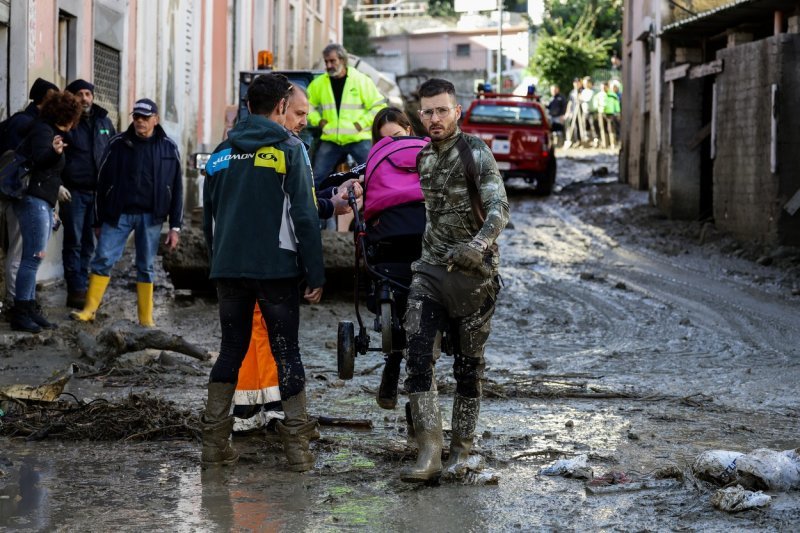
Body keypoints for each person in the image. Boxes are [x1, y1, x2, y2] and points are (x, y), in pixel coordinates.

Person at [201, 73, 325, 471]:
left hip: (228, 269)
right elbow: (304, 215)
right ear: (280, 107)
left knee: (230, 351)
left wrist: (217, 262)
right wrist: (316, 272)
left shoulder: (220, 152)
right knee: (287, 351)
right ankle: (298, 451)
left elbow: (210, 219)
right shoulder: (290, 149)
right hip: (277, 271)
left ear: (248, 105)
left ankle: (214, 445)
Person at [401, 78, 508, 483]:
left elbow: (500, 206)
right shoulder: (423, 158)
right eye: (427, 111)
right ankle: (429, 451)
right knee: (417, 356)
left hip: (474, 277)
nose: (434, 118)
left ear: (457, 110)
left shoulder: (476, 152)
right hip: (429, 272)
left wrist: (478, 246)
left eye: (441, 110)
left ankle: (461, 449)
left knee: (469, 367)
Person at [70, 98, 182, 327]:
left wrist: (175, 226)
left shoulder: (168, 147)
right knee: (102, 259)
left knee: (146, 266)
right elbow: (102, 183)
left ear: (156, 120)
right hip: (117, 214)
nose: (140, 121)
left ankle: (145, 318)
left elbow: (177, 188)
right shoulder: (117, 143)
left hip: (151, 216)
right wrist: (98, 220)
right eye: (137, 117)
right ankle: (90, 309)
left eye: (145, 117)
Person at [9, 91, 82, 333]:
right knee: (32, 258)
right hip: (33, 201)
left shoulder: (50, 132)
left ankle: (29, 308)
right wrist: (54, 153)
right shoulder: (43, 131)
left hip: (42, 201)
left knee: (33, 258)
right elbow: (40, 160)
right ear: (68, 115)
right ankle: (21, 312)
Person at [1, 78, 59, 317]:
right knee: (19, 252)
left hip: (14, 194)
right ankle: (17, 303)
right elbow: (23, 162)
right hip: (15, 195)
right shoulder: (28, 125)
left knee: (20, 253)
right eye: (54, 97)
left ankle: (19, 301)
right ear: (44, 98)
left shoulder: (25, 122)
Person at [60, 79, 116, 309]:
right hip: (73, 192)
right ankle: (75, 289)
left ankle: (84, 286)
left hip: (98, 194)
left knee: (89, 244)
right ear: (72, 97)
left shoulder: (104, 121)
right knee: (73, 241)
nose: (85, 98)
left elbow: (114, 150)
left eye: (88, 94)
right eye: (80, 94)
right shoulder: (67, 122)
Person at [306, 43, 386, 187]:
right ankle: (315, 207)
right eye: (326, 61)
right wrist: (318, 121)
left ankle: (376, 205)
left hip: (358, 138)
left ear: (342, 60)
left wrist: (360, 124)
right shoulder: (319, 84)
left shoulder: (361, 80)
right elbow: (306, 105)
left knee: (374, 173)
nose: (329, 65)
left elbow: (379, 106)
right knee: (316, 177)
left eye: (332, 61)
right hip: (331, 139)